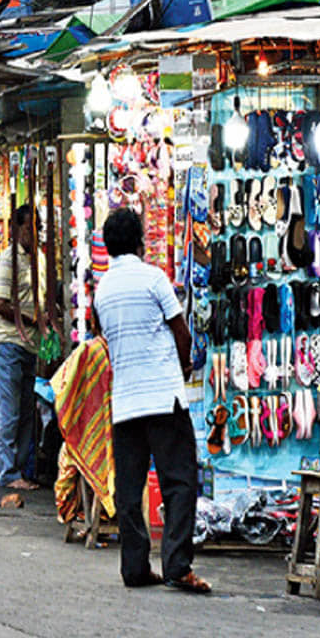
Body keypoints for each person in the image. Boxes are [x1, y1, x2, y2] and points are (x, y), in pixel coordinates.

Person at [93, 208, 210, 594]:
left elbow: (102, 336)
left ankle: (135, 567)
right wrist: (184, 368)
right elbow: (181, 332)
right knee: (180, 481)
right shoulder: (154, 278)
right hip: (162, 397)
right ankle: (176, 564)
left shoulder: (102, 290)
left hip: (125, 402)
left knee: (129, 489)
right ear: (140, 241)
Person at [0, 204, 47, 490]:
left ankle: (19, 471)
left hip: (29, 345)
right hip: (7, 342)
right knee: (8, 413)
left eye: (36, 228)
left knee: (24, 413)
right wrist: (31, 319)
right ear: (16, 229)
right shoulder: (9, 259)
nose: (32, 233)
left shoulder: (40, 259)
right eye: (28, 227)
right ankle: (9, 473)